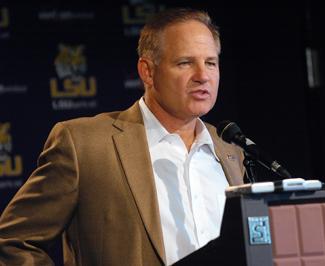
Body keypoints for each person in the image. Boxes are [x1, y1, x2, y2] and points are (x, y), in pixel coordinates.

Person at [0, 8, 244, 266]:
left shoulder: (230, 149)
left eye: (210, 62)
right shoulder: (84, 145)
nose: (203, 76)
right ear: (148, 72)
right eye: (185, 62)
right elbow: (13, 243)